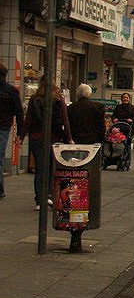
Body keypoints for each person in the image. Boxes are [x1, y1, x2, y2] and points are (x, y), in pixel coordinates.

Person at [22, 79, 72, 209]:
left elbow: (29, 119)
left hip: (37, 138)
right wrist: (69, 138)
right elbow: (65, 120)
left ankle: (39, 199)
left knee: (40, 168)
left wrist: (21, 136)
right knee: (51, 168)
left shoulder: (35, 99)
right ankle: (49, 195)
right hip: (53, 138)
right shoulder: (59, 100)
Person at [0, 61, 24, 199]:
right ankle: (1, 189)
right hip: (4, 127)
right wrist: (20, 132)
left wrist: (21, 131)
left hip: (3, 127)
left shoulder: (10, 91)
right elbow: (19, 112)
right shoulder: (11, 91)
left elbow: (19, 112)